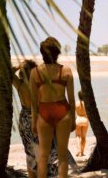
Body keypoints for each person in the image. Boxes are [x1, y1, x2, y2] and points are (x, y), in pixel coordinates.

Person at [29, 37, 76, 178]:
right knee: (62, 156)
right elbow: (72, 100)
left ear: (42, 53)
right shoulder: (66, 71)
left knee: (43, 156)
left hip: (44, 112)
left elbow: (33, 102)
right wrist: (74, 119)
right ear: (57, 52)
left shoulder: (35, 72)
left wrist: (33, 122)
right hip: (62, 110)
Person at [12, 60, 59, 177]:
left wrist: (18, 66)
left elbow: (8, 72)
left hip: (25, 120)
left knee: (30, 154)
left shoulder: (20, 85)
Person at [75, 91, 89, 157]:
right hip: (85, 119)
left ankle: (79, 150)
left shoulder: (76, 103)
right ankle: (82, 152)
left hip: (78, 119)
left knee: (77, 136)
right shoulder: (87, 103)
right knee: (83, 137)